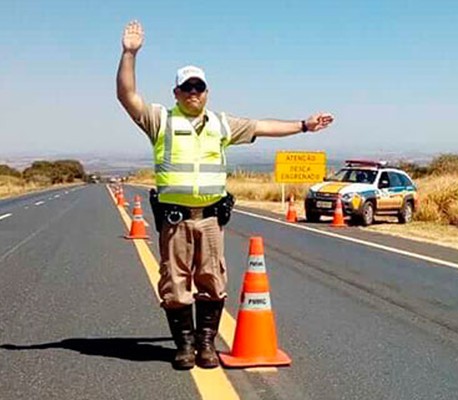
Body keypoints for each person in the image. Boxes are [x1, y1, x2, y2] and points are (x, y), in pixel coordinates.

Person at [116, 20, 334, 370]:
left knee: (213, 283)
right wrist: (129, 53)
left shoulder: (221, 124)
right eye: (186, 88)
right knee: (174, 285)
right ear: (175, 93)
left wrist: (304, 126)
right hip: (175, 221)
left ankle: (205, 345)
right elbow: (127, 96)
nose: (193, 93)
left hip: (212, 221)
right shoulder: (161, 120)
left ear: (207, 91)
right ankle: (184, 346)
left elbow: (263, 126)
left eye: (198, 87)